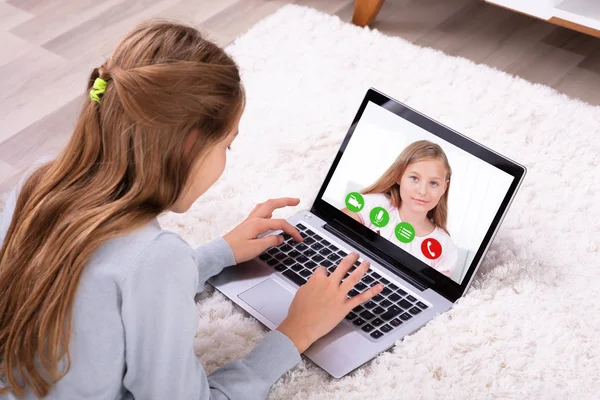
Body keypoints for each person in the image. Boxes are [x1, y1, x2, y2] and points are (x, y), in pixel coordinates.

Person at [0, 20, 383, 400]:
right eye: (226, 146)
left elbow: (110, 286)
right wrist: (295, 332)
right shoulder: (155, 258)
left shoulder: (37, 184)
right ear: (190, 145)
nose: (224, 161)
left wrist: (220, 253)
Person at [341, 140, 458, 278]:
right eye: (414, 178)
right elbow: (334, 235)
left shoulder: (445, 246)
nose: (422, 191)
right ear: (399, 177)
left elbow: (435, 294)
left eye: (433, 183)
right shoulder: (375, 204)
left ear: (444, 187)